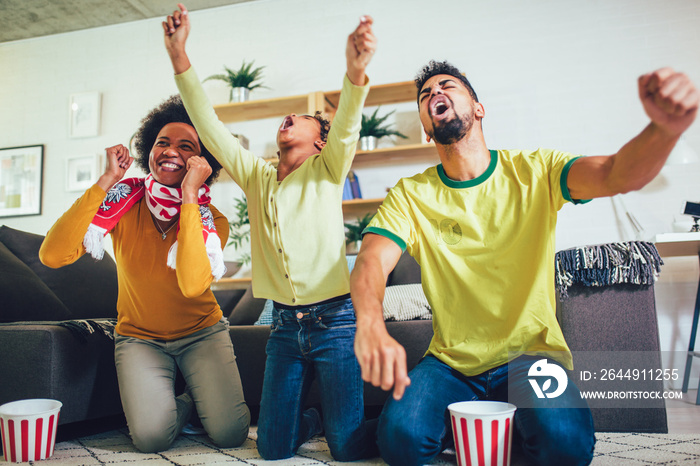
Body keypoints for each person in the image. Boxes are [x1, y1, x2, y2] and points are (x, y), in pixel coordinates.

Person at [350, 60, 699, 466]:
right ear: (427, 129)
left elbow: (614, 173)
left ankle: (494, 432)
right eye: (425, 95)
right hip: (451, 363)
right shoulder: (411, 195)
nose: (435, 95)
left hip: (531, 356)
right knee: (399, 442)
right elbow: (372, 260)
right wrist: (371, 321)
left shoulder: (537, 170)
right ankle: (481, 429)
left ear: (479, 108)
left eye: (447, 86)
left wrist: (664, 130)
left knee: (566, 446)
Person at [162, 3, 378, 461]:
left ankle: (371, 420)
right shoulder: (256, 175)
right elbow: (210, 127)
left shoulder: (328, 168)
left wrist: (355, 72)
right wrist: (180, 56)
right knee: (272, 449)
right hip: (283, 325)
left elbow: (347, 126)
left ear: (319, 140)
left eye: (302, 118)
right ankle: (311, 417)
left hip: (336, 322)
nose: (290, 117)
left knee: (346, 448)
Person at [39, 96, 250, 453]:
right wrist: (107, 180)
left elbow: (192, 282)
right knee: (151, 439)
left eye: (187, 147)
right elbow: (52, 254)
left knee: (230, 434)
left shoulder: (212, 220)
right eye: (162, 143)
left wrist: (188, 196)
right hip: (139, 339)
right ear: (148, 151)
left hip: (202, 333)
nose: (171, 151)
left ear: (204, 162)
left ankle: (198, 399)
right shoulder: (123, 203)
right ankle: (189, 402)